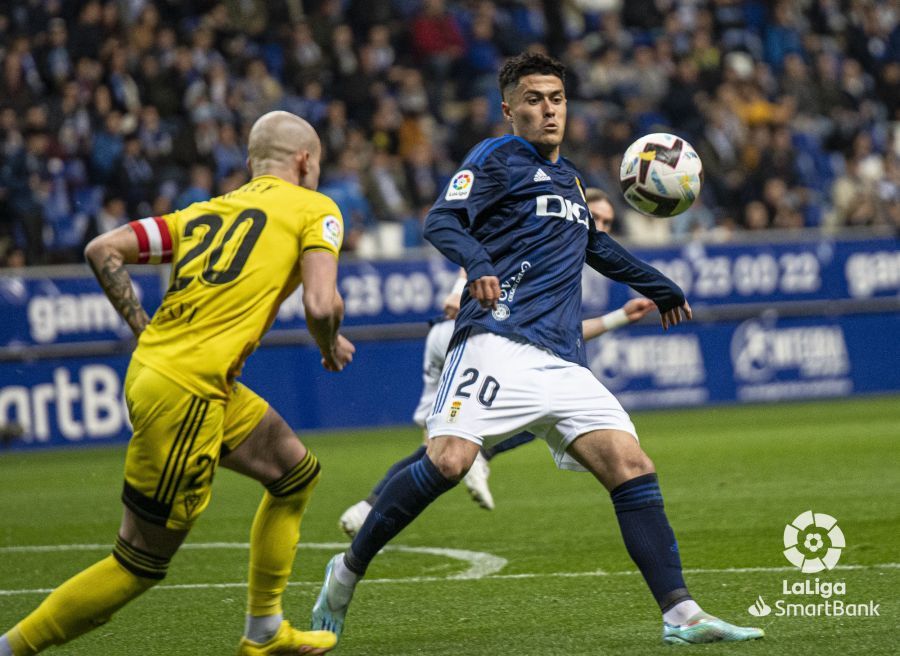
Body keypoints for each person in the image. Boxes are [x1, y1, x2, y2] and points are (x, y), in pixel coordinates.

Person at [311, 53, 764, 646]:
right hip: (496, 339)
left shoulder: (572, 179)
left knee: (632, 466)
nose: (547, 109)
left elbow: (595, 250)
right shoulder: (495, 158)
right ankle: (343, 576)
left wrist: (657, 283)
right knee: (448, 461)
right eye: (533, 99)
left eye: (556, 98)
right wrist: (477, 261)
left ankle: (681, 615)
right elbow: (440, 221)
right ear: (510, 109)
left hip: (562, 359)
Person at [0, 111, 355, 656]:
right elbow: (321, 301)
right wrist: (329, 341)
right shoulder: (316, 208)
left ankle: (265, 632)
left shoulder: (205, 211)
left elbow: (103, 249)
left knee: (293, 473)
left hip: (173, 372)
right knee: (138, 562)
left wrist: (144, 329)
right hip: (189, 390)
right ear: (306, 161)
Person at [338, 188, 655, 534]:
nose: (603, 228)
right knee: (530, 415)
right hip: (474, 339)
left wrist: (620, 317)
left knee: (438, 449)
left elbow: (564, 335)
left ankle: (366, 509)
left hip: (459, 338)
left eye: (609, 221)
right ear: (576, 212)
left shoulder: (560, 263)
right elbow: (481, 240)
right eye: (598, 218)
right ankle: (480, 458)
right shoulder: (546, 234)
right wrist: (459, 285)